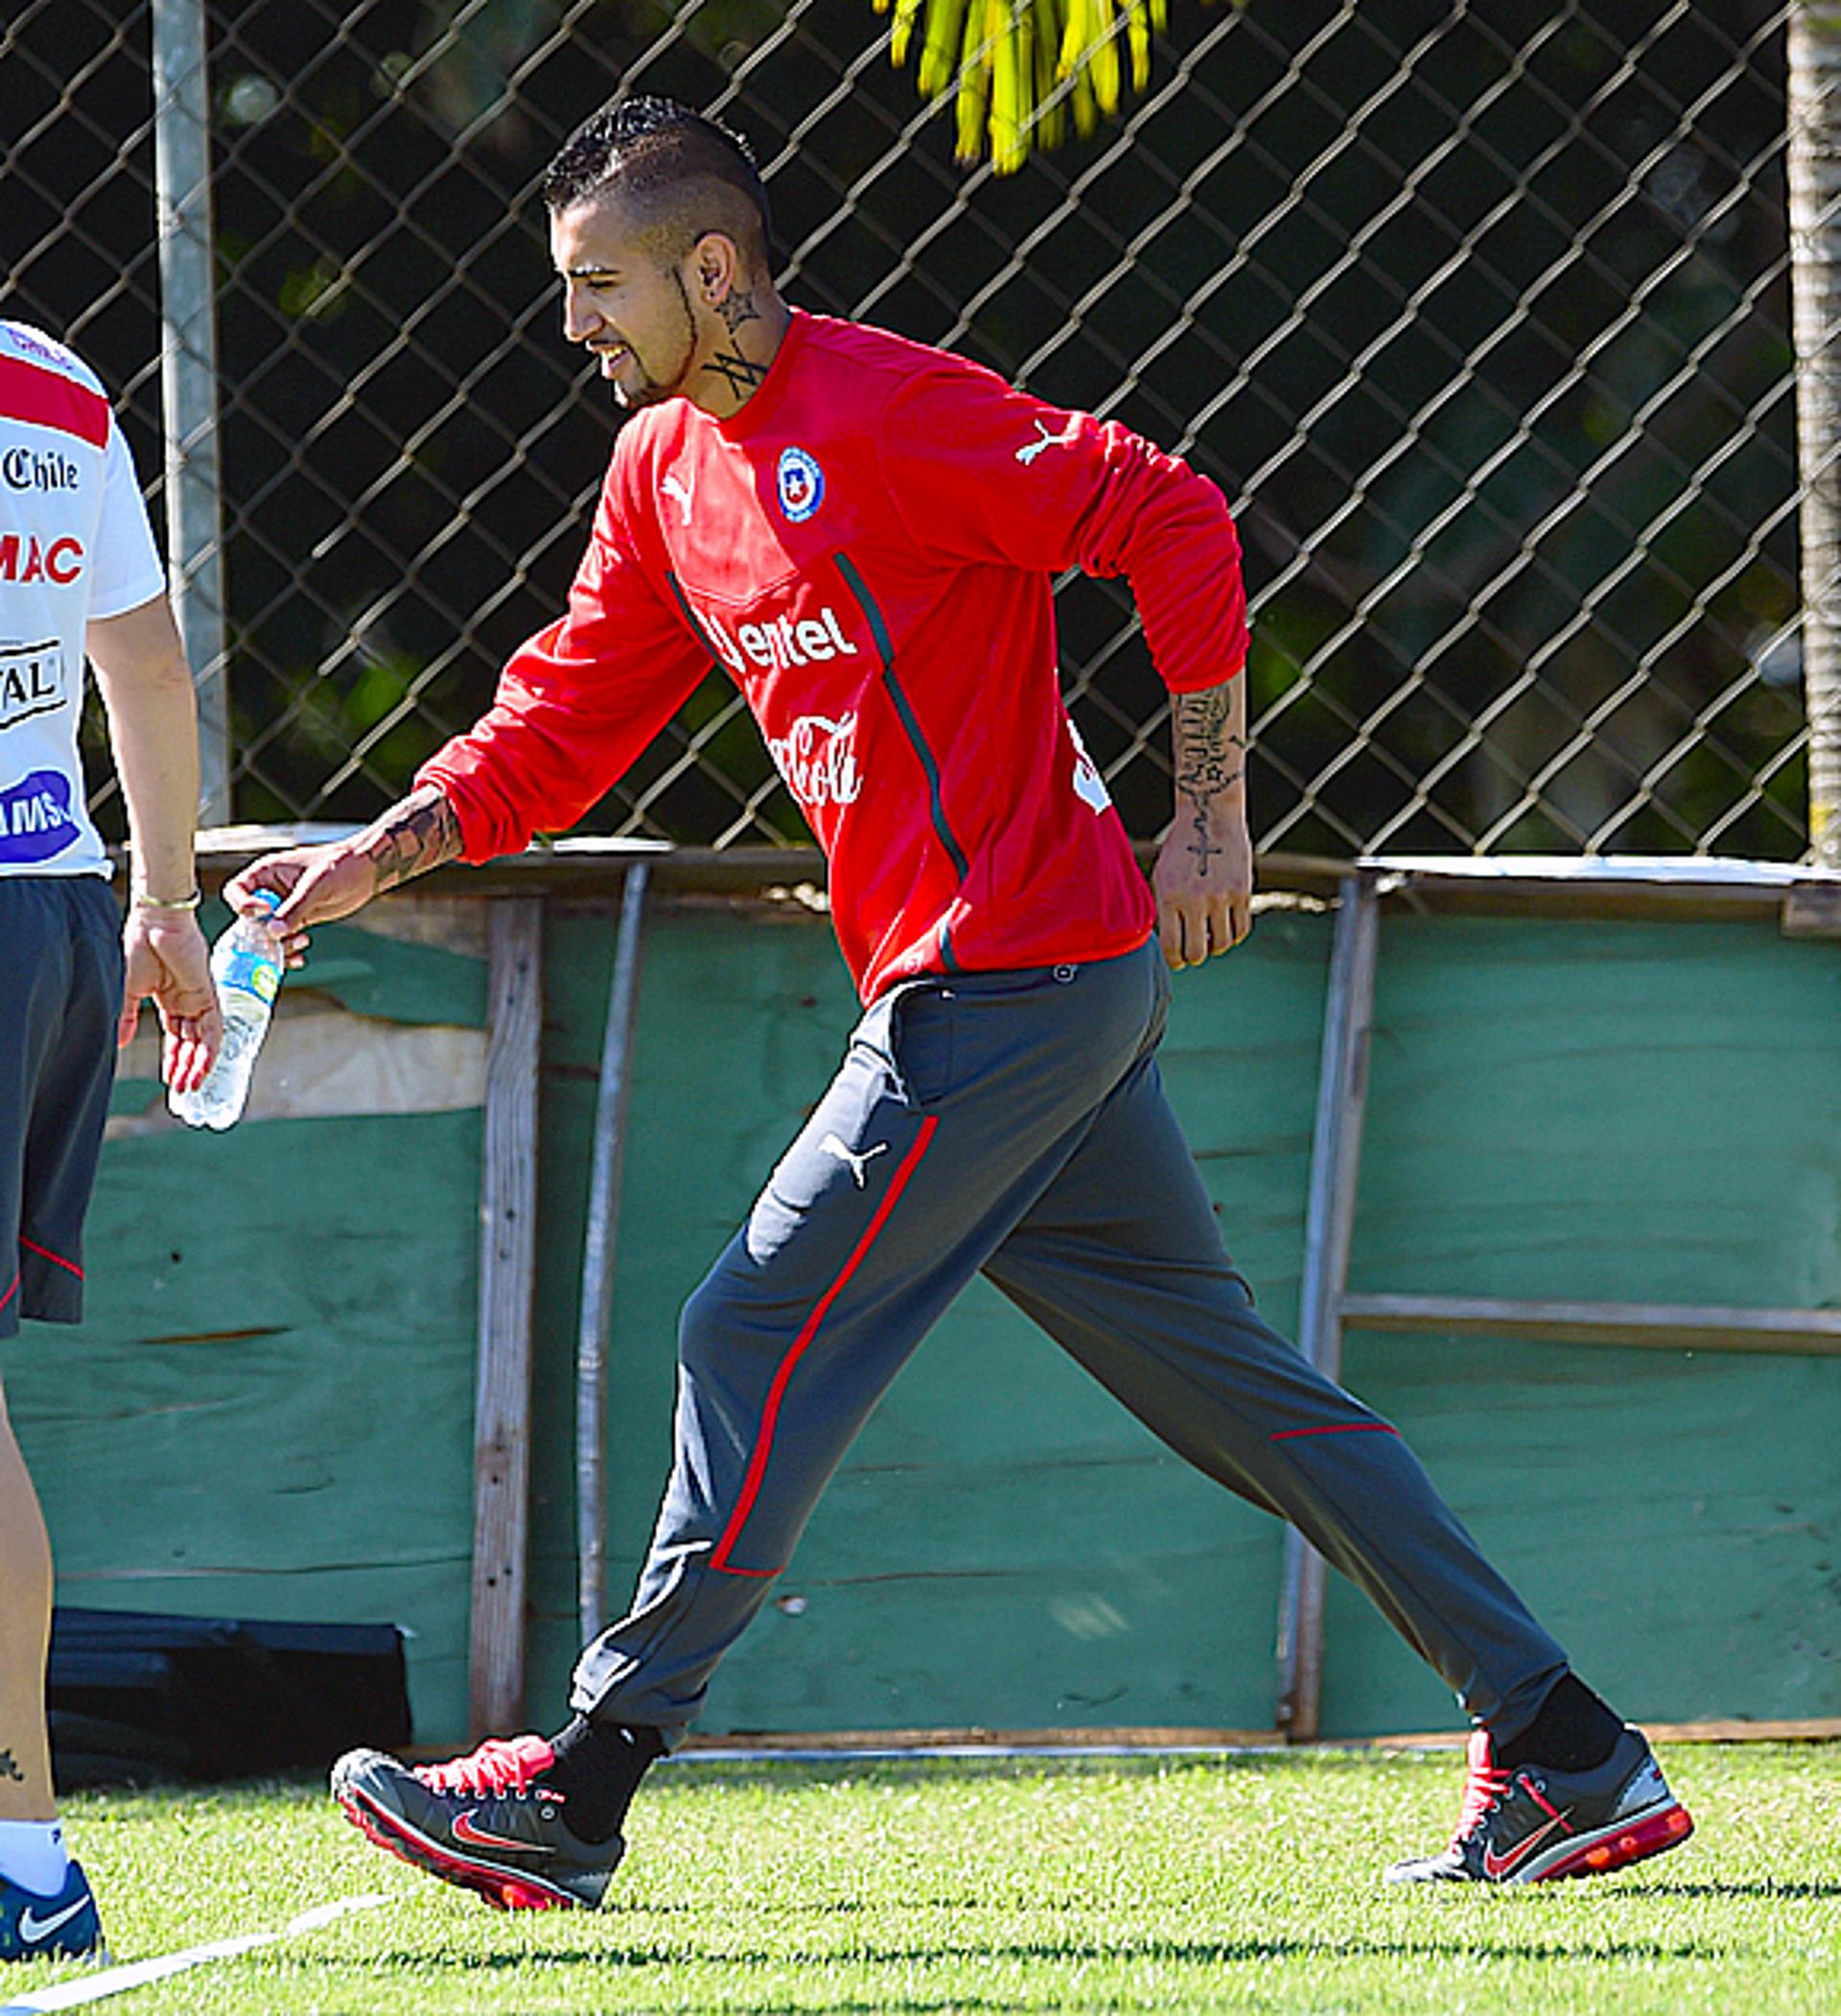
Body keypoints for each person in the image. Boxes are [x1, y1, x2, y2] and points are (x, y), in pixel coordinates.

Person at [228, 97, 1693, 1910]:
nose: (576, 325)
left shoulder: (892, 413)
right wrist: (369, 856)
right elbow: (566, 716)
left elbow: (1170, 511)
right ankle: (1566, 1743)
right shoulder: (662, 470)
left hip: (1002, 983)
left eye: (600, 286)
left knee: (751, 1325)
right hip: (1047, 995)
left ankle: (583, 1779)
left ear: (713, 269)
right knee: (1243, 1398)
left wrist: (1213, 813)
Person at [0, 319, 221, 1960]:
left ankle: (24, 1852)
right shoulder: (55, 382)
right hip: (62, 910)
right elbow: (141, 664)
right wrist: (165, 902)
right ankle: (21, 1844)